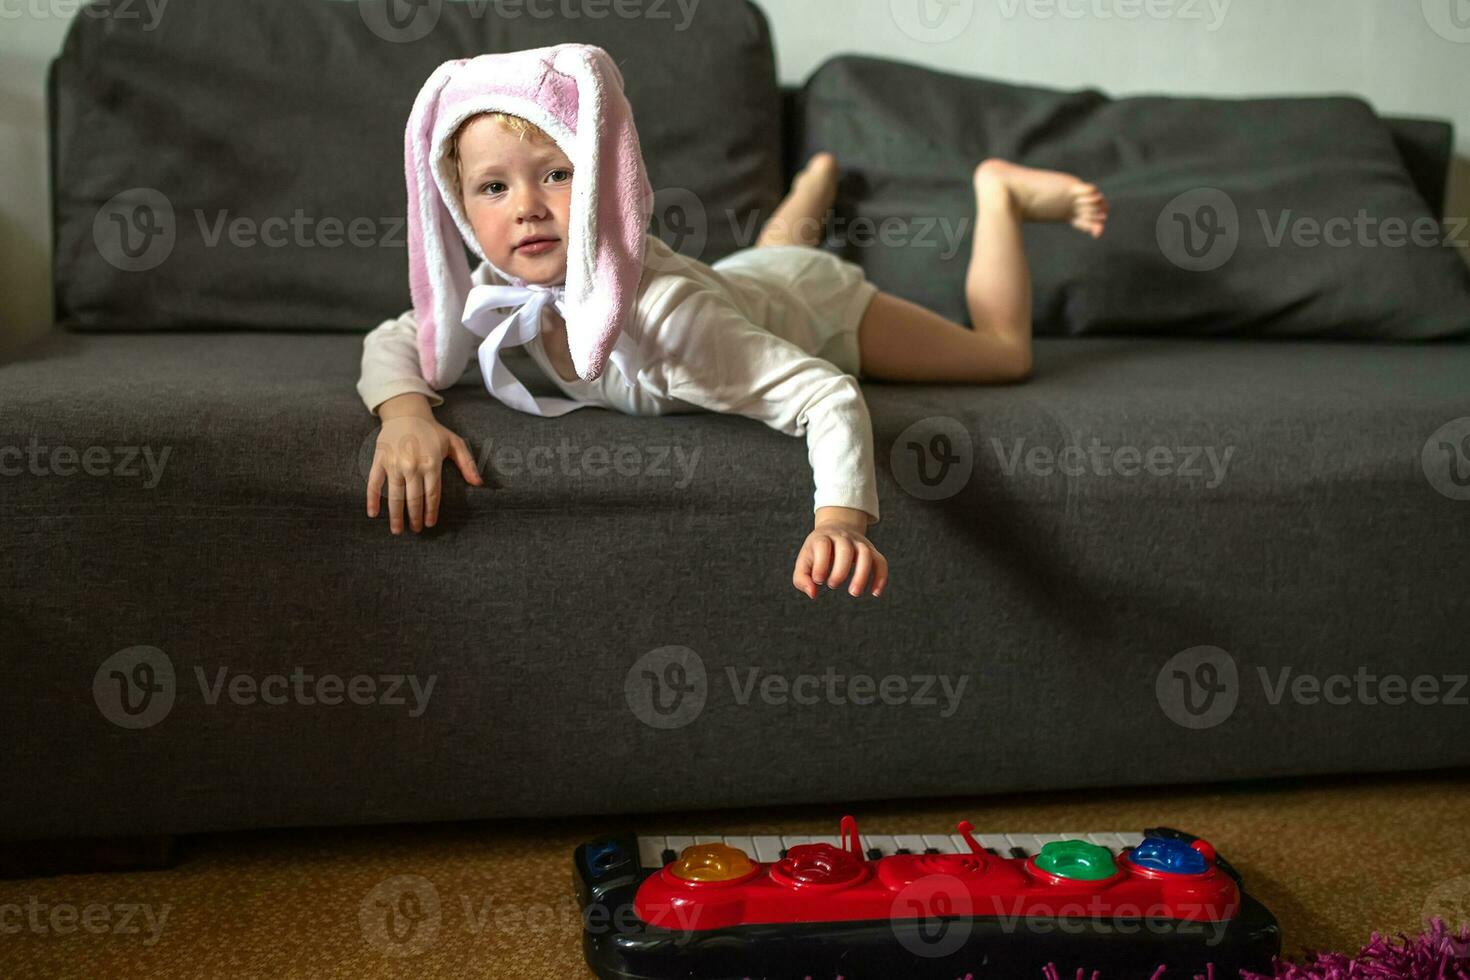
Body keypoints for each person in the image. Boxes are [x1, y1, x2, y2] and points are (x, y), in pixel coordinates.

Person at [359, 90, 1108, 602]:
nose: (525, 207)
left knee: (1002, 355)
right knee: (761, 262)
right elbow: (397, 339)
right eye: (493, 188)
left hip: (818, 306)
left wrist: (840, 520)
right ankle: (815, 184)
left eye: (556, 174)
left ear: (605, 189)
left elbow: (828, 394)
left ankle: (998, 194)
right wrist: (405, 417)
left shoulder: (676, 320)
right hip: (744, 280)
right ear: (459, 209)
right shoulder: (495, 287)